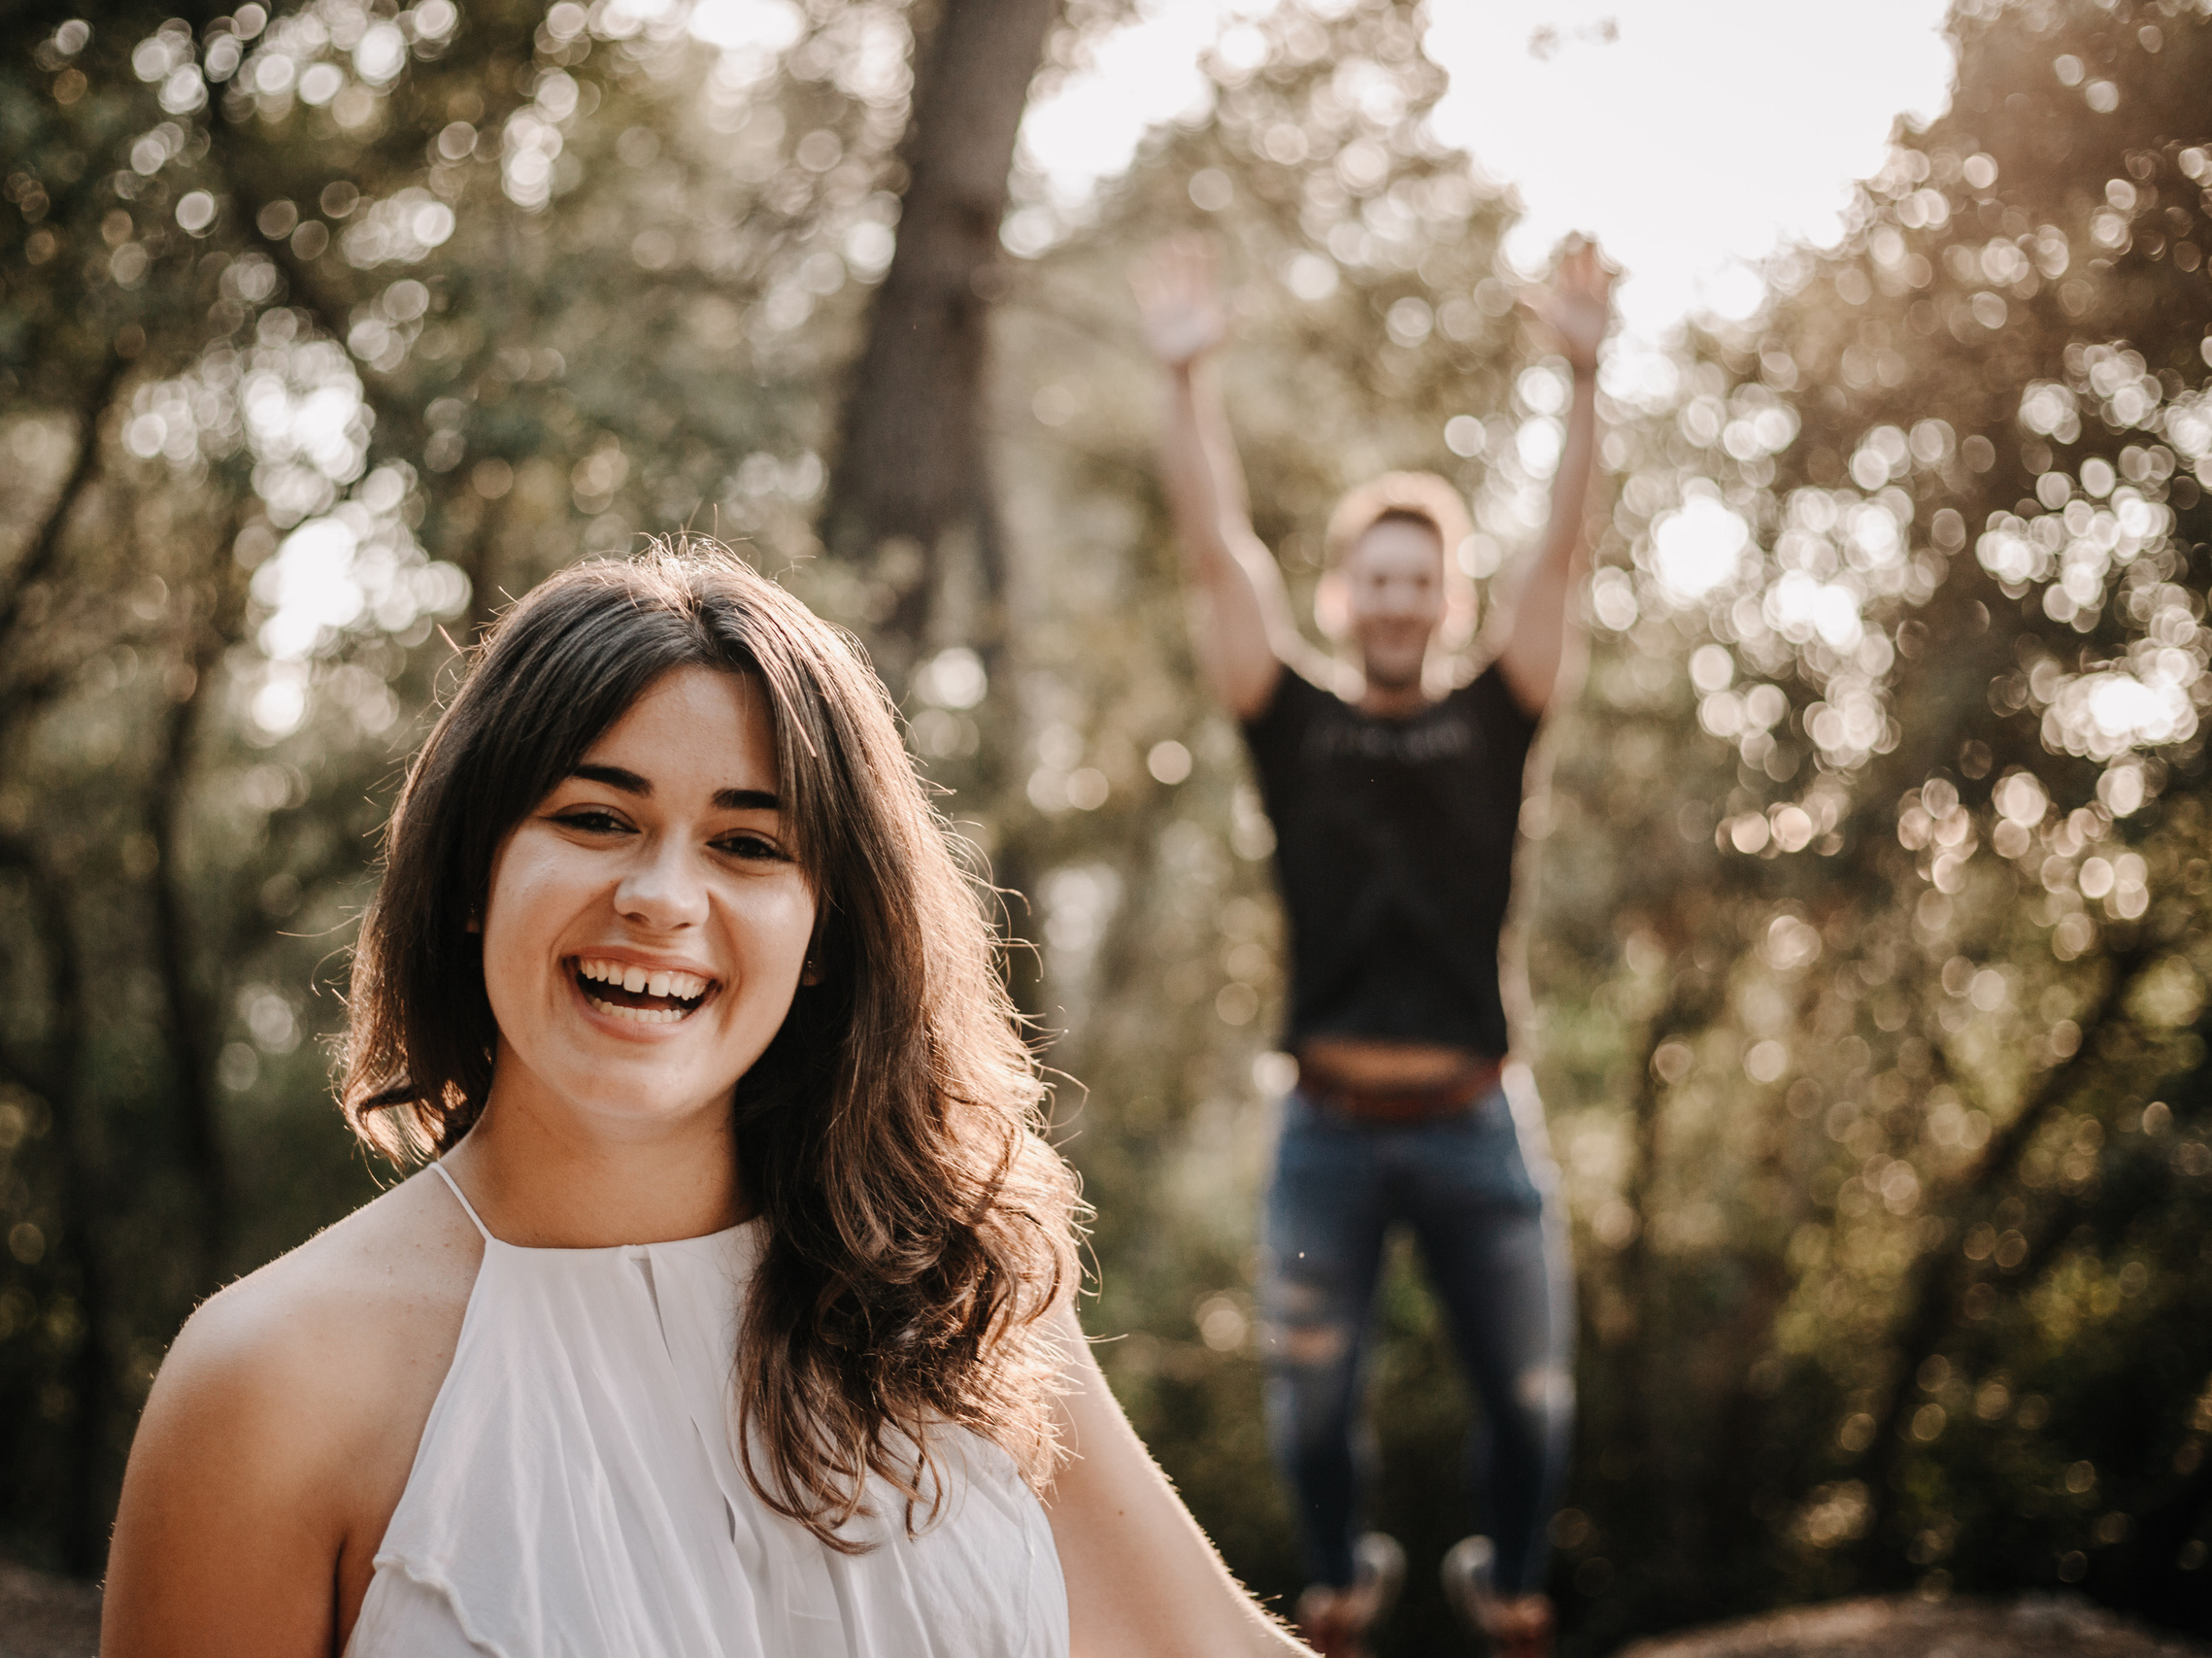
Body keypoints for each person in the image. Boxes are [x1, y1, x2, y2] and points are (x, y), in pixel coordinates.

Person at [100, 542, 1318, 1658]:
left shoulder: (955, 1294)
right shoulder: (269, 1386)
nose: (661, 897)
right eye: (594, 818)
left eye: (748, 845)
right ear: (473, 871)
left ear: (829, 928)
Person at [1130, 235, 1613, 1658]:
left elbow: (1565, 548)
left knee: (1531, 1398)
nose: (1399, 600)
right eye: (1377, 580)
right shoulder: (1291, 721)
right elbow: (1214, 553)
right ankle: (1339, 1594)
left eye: (1424, 581)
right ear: (1343, 594)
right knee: (1308, 1405)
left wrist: (1584, 377)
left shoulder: (1497, 712)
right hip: (1326, 1132)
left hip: (1477, 1124)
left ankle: (1507, 1592)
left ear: (1448, 600)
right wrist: (1186, 378)